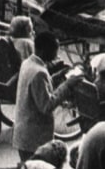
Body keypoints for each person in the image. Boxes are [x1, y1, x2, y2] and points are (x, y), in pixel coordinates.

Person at [12, 31, 81, 161]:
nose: (57, 54)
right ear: (44, 51)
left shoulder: (27, 63)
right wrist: (67, 85)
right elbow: (46, 106)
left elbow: (37, 89)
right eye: (55, 50)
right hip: (34, 140)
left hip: (25, 135)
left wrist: (57, 77)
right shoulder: (39, 72)